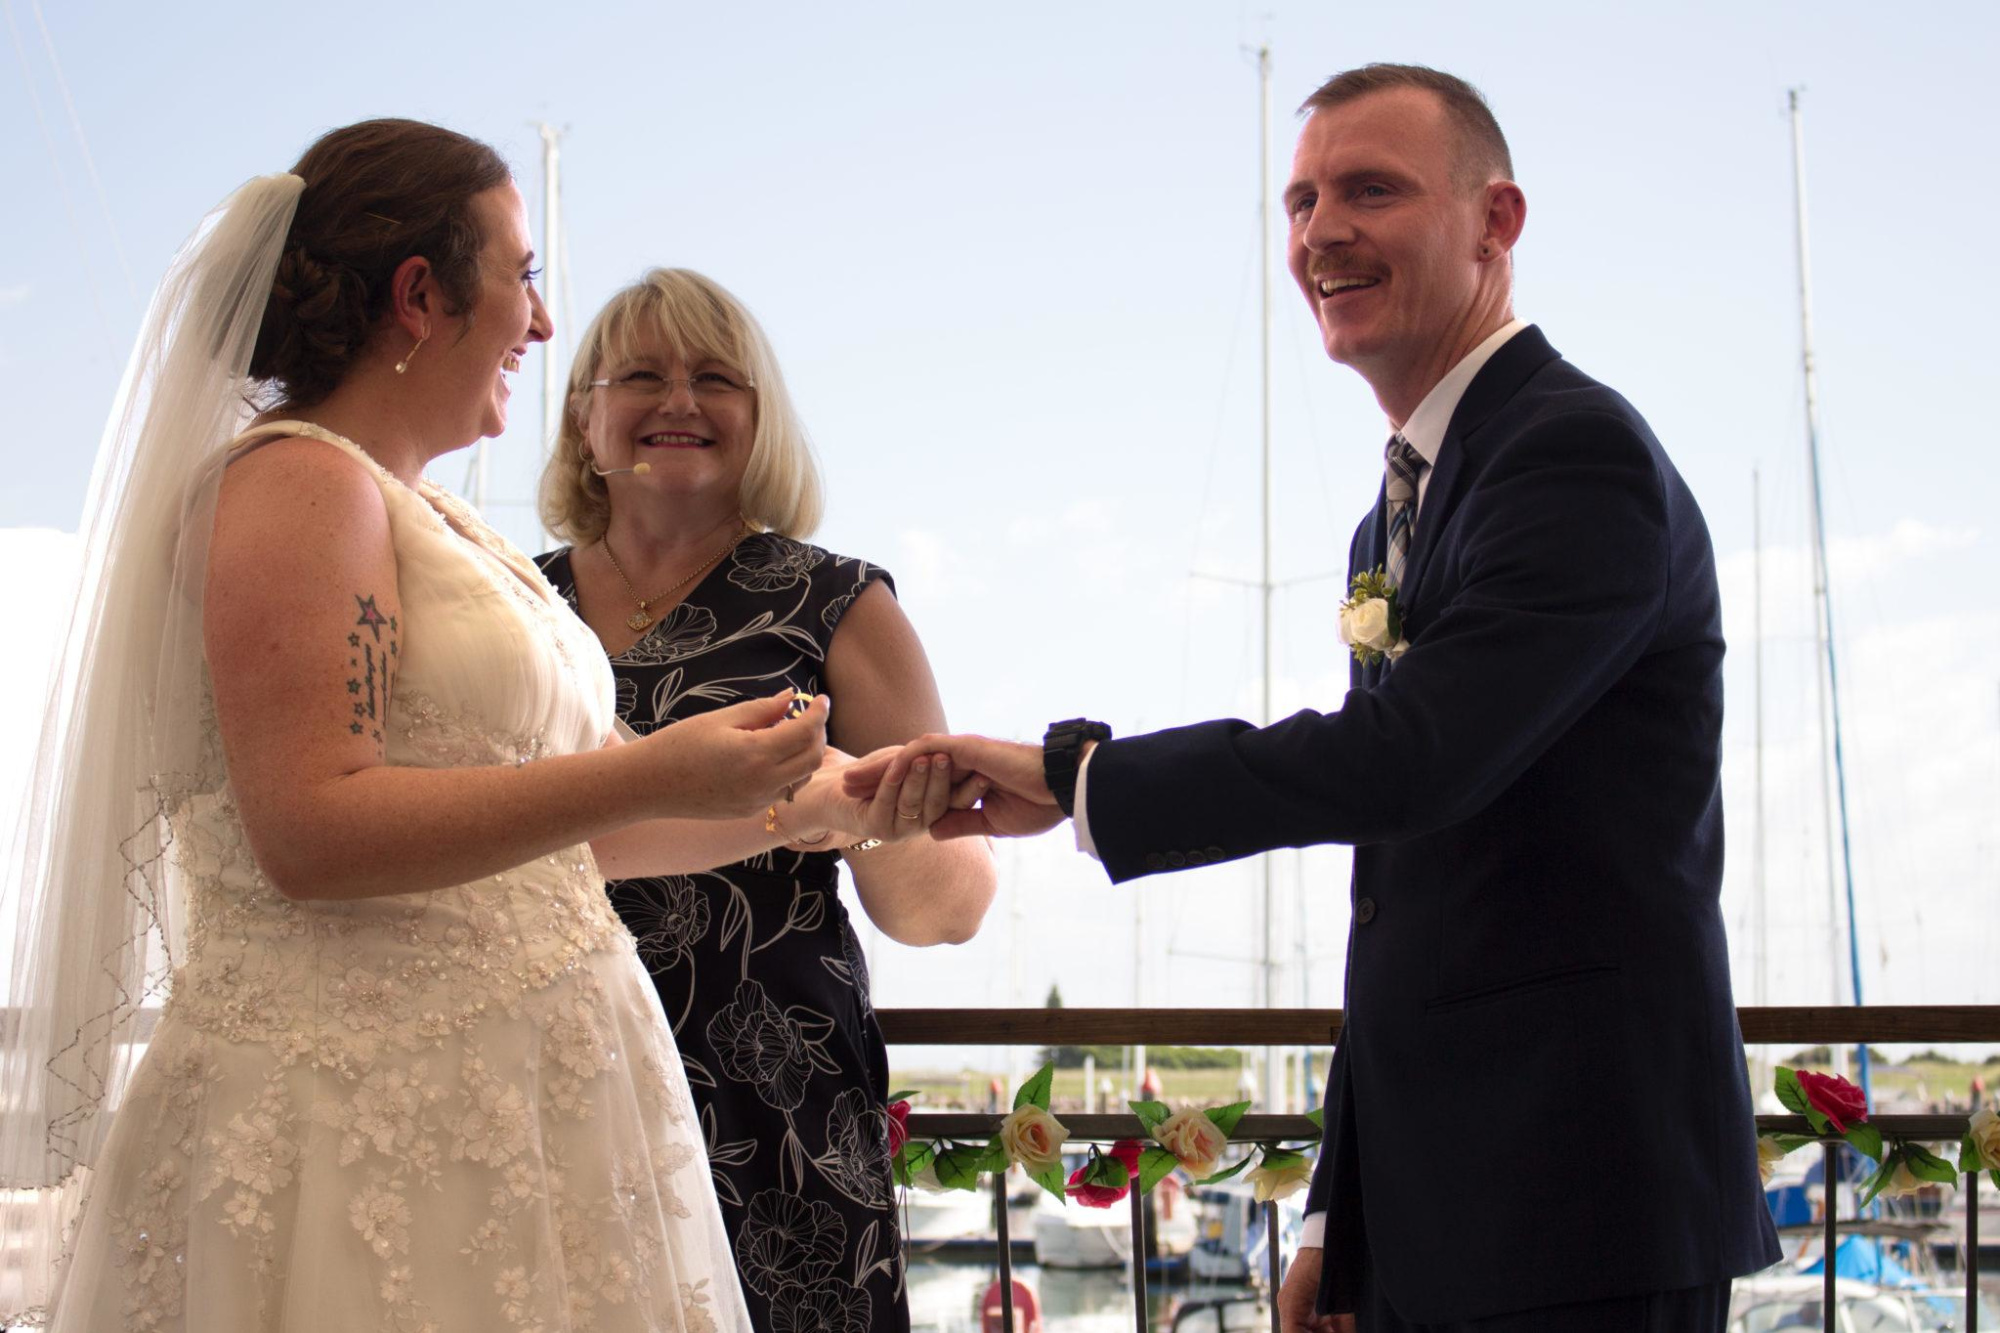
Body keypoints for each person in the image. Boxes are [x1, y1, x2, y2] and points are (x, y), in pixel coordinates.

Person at [848, 64, 1779, 1330]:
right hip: (1441, 1206)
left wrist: (1077, 777)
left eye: (1369, 190)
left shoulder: (1573, 452)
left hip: (1580, 1193)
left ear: (1493, 223)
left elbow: (1411, 759)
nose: (1317, 232)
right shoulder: (1389, 516)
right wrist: (1344, 1216)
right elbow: (1399, 897)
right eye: (1299, 201)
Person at [0, 120, 918, 1332]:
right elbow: (311, 829)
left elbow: (556, 844)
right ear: (422, 295)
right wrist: (650, 770)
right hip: (368, 1112)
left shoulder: (434, 520)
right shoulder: (293, 486)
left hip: (532, 1106)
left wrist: (789, 806)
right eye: (523, 276)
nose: (541, 326)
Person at [535, 267, 997, 1332]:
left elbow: (951, 905)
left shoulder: (838, 602)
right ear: (583, 416)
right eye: (640, 375)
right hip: (547, 1071)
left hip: (773, 1100)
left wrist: (860, 812)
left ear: (761, 416)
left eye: (715, 378)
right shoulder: (515, 606)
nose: (679, 402)